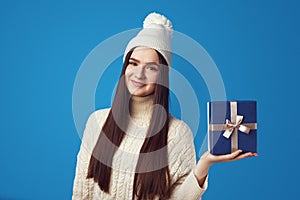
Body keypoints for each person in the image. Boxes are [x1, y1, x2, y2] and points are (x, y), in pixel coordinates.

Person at [72, 12, 258, 200]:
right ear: (125, 68)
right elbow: (82, 189)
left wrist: (203, 165)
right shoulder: (97, 122)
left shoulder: (177, 133)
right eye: (133, 63)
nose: (139, 74)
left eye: (151, 68)